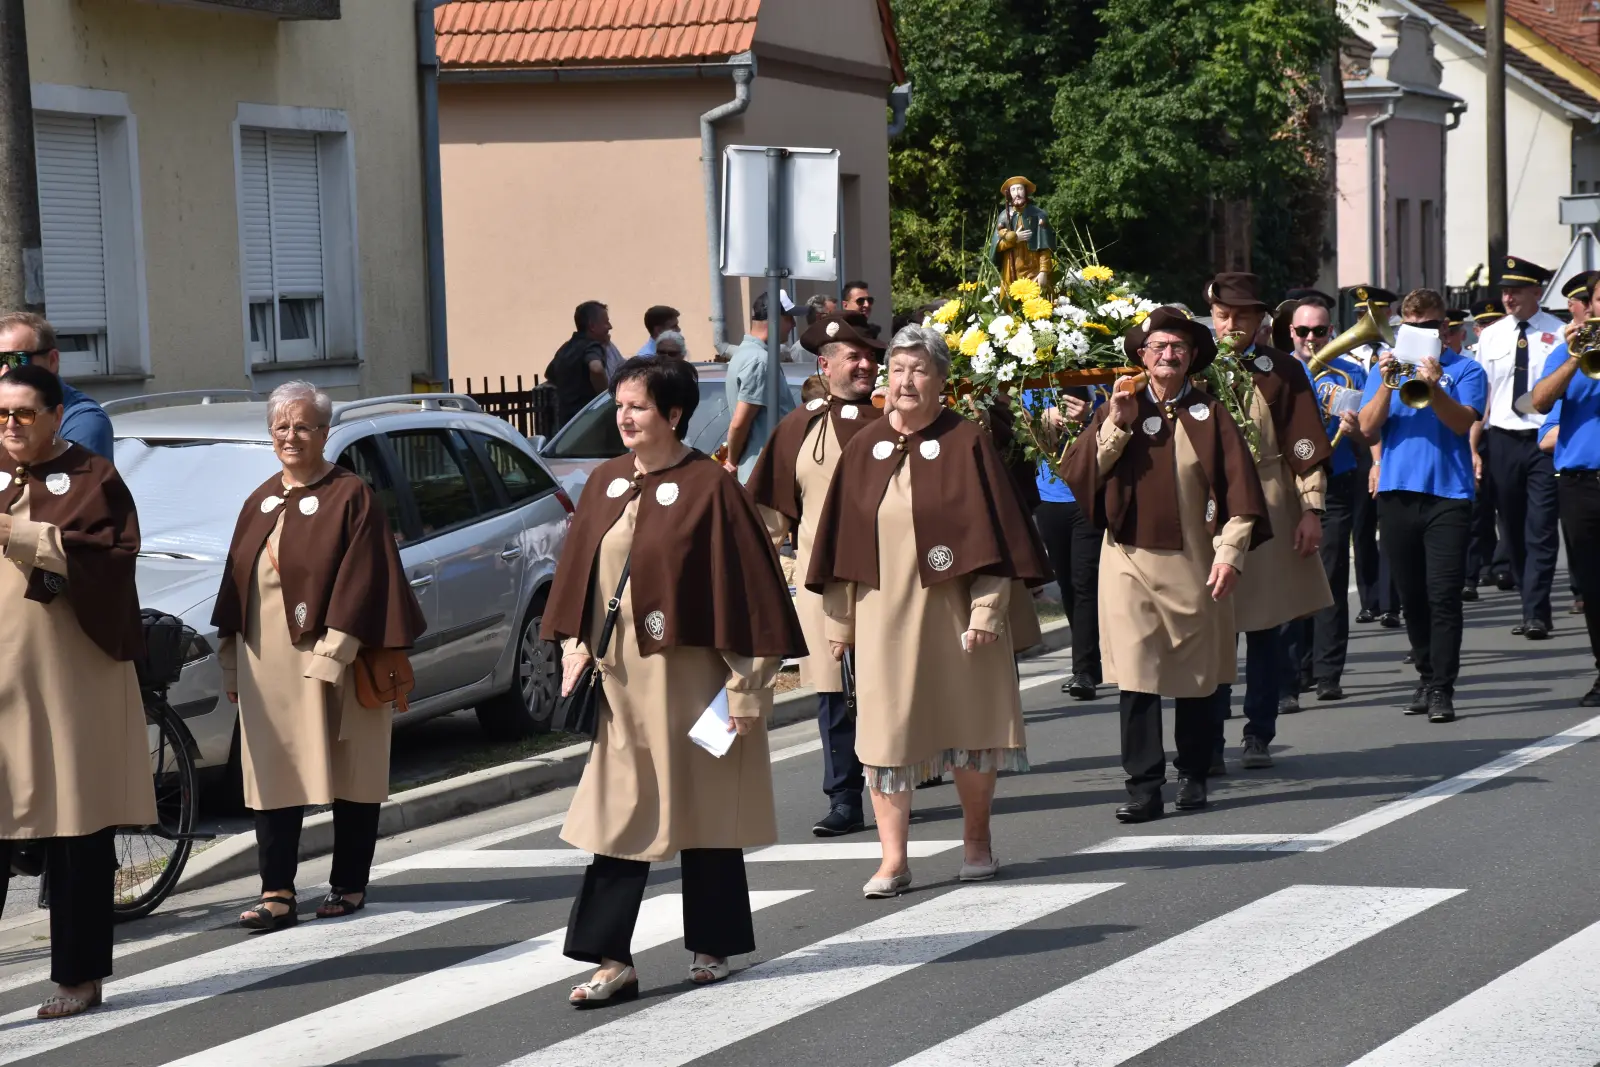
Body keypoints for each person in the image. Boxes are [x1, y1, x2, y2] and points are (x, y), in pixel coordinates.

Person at [544, 356, 804, 1003]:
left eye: (638, 406)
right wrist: (576, 645)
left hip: (700, 687)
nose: (625, 417)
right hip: (622, 690)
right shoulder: (604, 481)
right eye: (620, 405)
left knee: (707, 813)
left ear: (674, 414)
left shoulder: (713, 488)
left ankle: (712, 946)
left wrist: (747, 690)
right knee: (617, 815)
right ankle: (612, 958)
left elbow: (753, 598)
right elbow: (581, 578)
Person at [808, 325, 1048, 894]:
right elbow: (841, 544)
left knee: (969, 731)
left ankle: (977, 841)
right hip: (883, 617)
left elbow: (997, 537)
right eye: (897, 370)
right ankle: (893, 859)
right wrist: (840, 624)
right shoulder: (864, 446)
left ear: (942, 380)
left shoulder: (967, 441)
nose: (906, 380)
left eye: (919, 370)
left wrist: (988, 612)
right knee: (887, 738)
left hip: (959, 618)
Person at [213, 382, 426, 931]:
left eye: (303, 426)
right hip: (268, 664)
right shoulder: (258, 498)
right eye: (281, 426)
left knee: (353, 771)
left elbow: (365, 582)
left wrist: (331, 658)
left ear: (325, 433)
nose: (290, 435)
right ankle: (277, 891)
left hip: (340, 661)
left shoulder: (351, 495)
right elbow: (235, 588)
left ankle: (349, 884)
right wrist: (234, 665)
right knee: (272, 776)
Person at [1063, 307, 1268, 819]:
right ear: (1141, 356)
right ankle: (1144, 786)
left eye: (1178, 347)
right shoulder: (1118, 406)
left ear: (1193, 357)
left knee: (1197, 678)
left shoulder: (1212, 414)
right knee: (1137, 675)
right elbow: (1082, 473)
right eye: (1158, 346)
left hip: (1196, 562)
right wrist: (1116, 424)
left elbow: (1242, 496)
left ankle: (1195, 772)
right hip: (1129, 560)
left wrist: (1230, 555)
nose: (1168, 355)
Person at [0, 363, 155, 1018]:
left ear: (57, 416)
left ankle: (80, 976)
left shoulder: (92, 476)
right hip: (4, 681)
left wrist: (24, 535)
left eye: (23, 414)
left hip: (70, 682)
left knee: (75, 828)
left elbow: (112, 559)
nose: (9, 427)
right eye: (0, 415)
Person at [748, 313, 884, 837]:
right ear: (825, 366)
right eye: (853, 357)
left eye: (870, 356)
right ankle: (844, 797)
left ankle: (899, 778)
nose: (865, 365)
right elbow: (768, 516)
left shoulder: (894, 421)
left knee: (888, 687)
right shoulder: (798, 428)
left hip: (886, 583)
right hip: (822, 584)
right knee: (833, 694)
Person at [1206, 276, 1333, 772]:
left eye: (1241, 315)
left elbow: (1306, 447)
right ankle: (1207, 737)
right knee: (1214, 630)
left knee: (1264, 628)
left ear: (1261, 318)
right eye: (1222, 314)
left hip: (1271, 501)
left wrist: (1311, 510)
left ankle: (1259, 730)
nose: (1231, 324)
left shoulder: (1282, 371)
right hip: (1207, 508)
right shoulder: (1191, 370)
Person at [1358, 289, 1487, 723]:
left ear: (1444, 328)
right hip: (1397, 492)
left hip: (1448, 494)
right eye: (1410, 328)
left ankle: (1441, 687)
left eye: (1428, 328)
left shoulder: (1466, 368)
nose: (1420, 334)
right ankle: (1426, 673)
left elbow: (1462, 422)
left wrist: (1433, 389)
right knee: (1411, 595)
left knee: (1444, 595)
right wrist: (1385, 383)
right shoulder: (1387, 369)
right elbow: (1367, 428)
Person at [1286, 297, 1370, 703]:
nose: (1311, 339)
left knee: (1330, 575)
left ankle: (1328, 672)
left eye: (1319, 331)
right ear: (1291, 333)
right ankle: (1294, 671)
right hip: (1289, 483)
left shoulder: (1351, 373)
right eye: (1303, 331)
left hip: (1335, 479)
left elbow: (1367, 434)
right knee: (1289, 576)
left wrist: (1353, 428)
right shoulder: (1280, 370)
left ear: (1331, 331)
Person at [1476, 256, 1562, 638]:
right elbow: (1484, 397)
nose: (1508, 298)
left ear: (1536, 292)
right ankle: (1529, 599)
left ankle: (1536, 612)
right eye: (1505, 292)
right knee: (1511, 525)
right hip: (1503, 439)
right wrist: (1474, 446)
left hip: (1543, 440)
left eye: (1515, 291)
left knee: (1540, 526)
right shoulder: (1490, 335)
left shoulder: (1559, 334)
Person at [1530, 283, 1600, 704]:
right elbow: (1539, 402)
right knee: (1593, 585)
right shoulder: (1570, 350)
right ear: (1590, 308)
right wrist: (1574, 357)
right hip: (1582, 484)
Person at [1029, 388, 1103, 700]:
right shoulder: (1030, 385)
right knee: (1070, 585)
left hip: (1089, 496)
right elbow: (1020, 431)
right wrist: (1042, 421)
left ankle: (1084, 669)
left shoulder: (1098, 382)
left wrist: (1088, 418)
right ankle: (1089, 662)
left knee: (1085, 581)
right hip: (1049, 499)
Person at [1346, 286, 1401, 625]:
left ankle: (1391, 601)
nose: (1366, 320)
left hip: (1387, 442)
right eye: (1361, 315)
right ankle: (1369, 600)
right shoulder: (1348, 357)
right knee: (1361, 526)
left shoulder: (1398, 351)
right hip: (1355, 448)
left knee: (1390, 525)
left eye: (1374, 314)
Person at [0, 312, 113, 459]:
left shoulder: (83, 421)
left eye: (16, 360)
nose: (4, 372)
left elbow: (72, 481)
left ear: (52, 361)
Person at [724, 291, 798, 482]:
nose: (794, 325)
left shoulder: (747, 354)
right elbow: (740, 423)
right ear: (775, 319)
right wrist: (732, 461)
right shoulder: (759, 360)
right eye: (789, 318)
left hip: (760, 473)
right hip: (762, 476)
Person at [547, 301, 613, 428]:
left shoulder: (566, 348)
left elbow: (550, 374)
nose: (610, 327)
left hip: (567, 425)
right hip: (590, 422)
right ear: (592, 326)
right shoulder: (592, 346)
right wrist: (605, 399)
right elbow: (596, 368)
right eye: (606, 322)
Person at [986, 177, 1055, 292]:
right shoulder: (1004, 216)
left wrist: (1043, 271)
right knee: (1011, 305)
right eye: (1013, 190)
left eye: (1019, 189)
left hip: (1034, 269)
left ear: (1026, 191)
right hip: (1011, 271)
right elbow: (996, 246)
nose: (1017, 193)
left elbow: (1045, 247)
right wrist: (1014, 240)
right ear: (1009, 194)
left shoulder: (1038, 215)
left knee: (1036, 303)